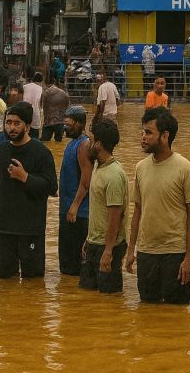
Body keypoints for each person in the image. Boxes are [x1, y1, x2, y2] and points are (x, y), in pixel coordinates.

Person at [125, 108, 190, 305]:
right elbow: (137, 211)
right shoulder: (140, 167)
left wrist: (189, 258)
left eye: (149, 132)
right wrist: (131, 249)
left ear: (165, 136)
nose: (143, 137)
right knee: (147, 311)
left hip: (174, 254)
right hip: (146, 252)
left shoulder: (185, 168)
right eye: (143, 131)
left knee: (176, 314)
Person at [0, 102, 58, 279]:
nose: (11, 127)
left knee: (33, 285)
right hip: (3, 230)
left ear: (27, 126)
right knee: (4, 283)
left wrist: (25, 177)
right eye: (8, 122)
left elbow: (51, 187)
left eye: (17, 123)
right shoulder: (1, 151)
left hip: (31, 231)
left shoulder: (41, 152)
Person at [80, 118, 128, 294]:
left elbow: (116, 217)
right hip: (94, 243)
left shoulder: (114, 175)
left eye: (91, 140)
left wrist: (108, 252)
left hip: (109, 247)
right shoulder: (98, 167)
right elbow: (98, 211)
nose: (87, 144)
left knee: (109, 299)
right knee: (87, 297)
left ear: (98, 144)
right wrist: (88, 239)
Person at [59, 105, 93, 277]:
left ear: (80, 123)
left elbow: (86, 179)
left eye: (69, 124)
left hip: (78, 212)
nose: (65, 128)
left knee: (75, 267)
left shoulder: (84, 145)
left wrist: (75, 205)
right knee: (66, 267)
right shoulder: (72, 143)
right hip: (67, 208)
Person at [40, 78, 71, 143]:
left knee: (44, 142)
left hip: (48, 121)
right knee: (59, 142)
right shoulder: (64, 94)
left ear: (45, 84)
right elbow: (68, 107)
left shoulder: (45, 93)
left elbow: (41, 106)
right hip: (60, 121)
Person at [23, 72, 45, 140]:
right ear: (41, 81)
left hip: (24, 111)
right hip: (35, 113)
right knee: (34, 136)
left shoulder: (25, 87)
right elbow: (41, 103)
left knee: (24, 133)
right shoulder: (40, 89)